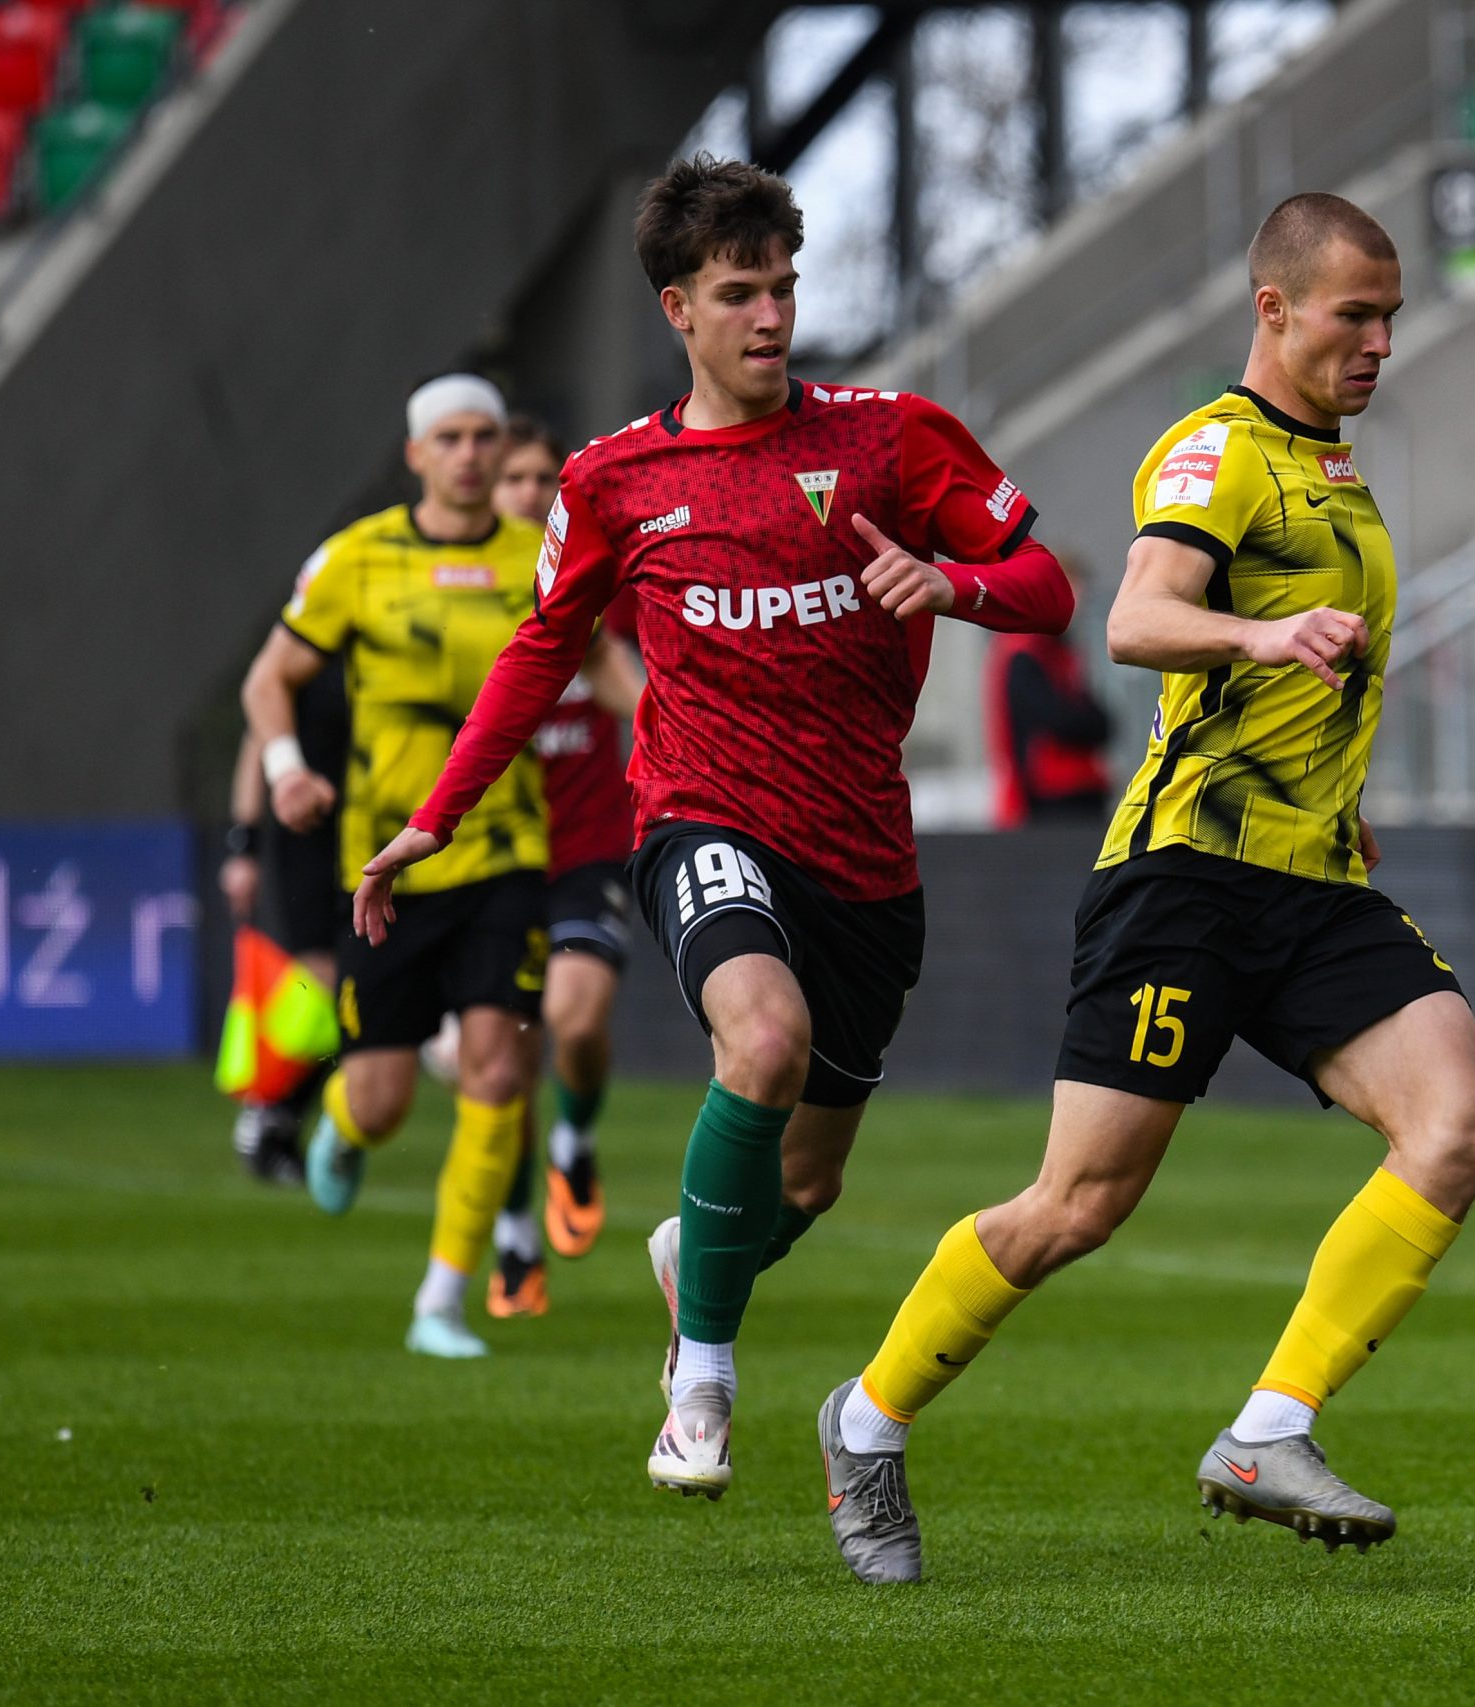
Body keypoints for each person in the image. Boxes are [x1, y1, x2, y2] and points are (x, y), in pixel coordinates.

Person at [351, 157, 1074, 1497]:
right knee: (764, 1039)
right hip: (701, 815)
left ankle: (700, 1248)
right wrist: (434, 820)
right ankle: (702, 1385)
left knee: (807, 1184)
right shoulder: (614, 479)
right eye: (740, 292)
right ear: (676, 307)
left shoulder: (892, 437)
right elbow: (540, 650)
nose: (772, 314)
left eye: (784, 286)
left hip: (864, 853)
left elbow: (1047, 583)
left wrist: (954, 586)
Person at [817, 194, 1475, 1585]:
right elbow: (1135, 617)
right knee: (1075, 1206)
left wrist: (1339, 799)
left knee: (1458, 1129)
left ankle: (1269, 1430)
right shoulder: (1218, 450)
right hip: (1184, 878)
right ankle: (868, 1420)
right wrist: (1260, 634)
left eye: (1390, 316)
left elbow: (1314, 685)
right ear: (1274, 310)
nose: (1380, 340)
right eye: (1353, 315)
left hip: (1315, 882)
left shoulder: (1337, 472)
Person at [239, 374, 551, 1359]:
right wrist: (285, 771)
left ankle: (441, 1301)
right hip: (386, 862)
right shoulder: (359, 557)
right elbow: (269, 678)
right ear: (416, 454)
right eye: (449, 438)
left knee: (498, 1068)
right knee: (381, 1099)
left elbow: (606, 665)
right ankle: (340, 1125)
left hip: (506, 847)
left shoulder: (540, 557)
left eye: (485, 436)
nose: (471, 454)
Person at [480, 415, 647, 1318]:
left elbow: (639, 686)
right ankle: (514, 1234)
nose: (526, 493)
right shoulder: (464, 597)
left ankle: (574, 1140)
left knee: (574, 1022)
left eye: (542, 477)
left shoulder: (603, 583)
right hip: (490, 857)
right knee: (501, 1061)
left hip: (588, 847)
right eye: (512, 478)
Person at [218, 656, 345, 1187]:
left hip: (373, 831)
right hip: (306, 834)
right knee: (321, 982)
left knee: (361, 987)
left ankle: (287, 1115)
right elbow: (259, 739)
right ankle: (272, 1110)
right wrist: (243, 842)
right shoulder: (308, 642)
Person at [984, 551, 1113, 827]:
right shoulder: (1025, 651)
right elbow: (1055, 719)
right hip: (1050, 797)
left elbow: (1096, 719)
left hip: (1076, 789)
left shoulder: (1057, 650)